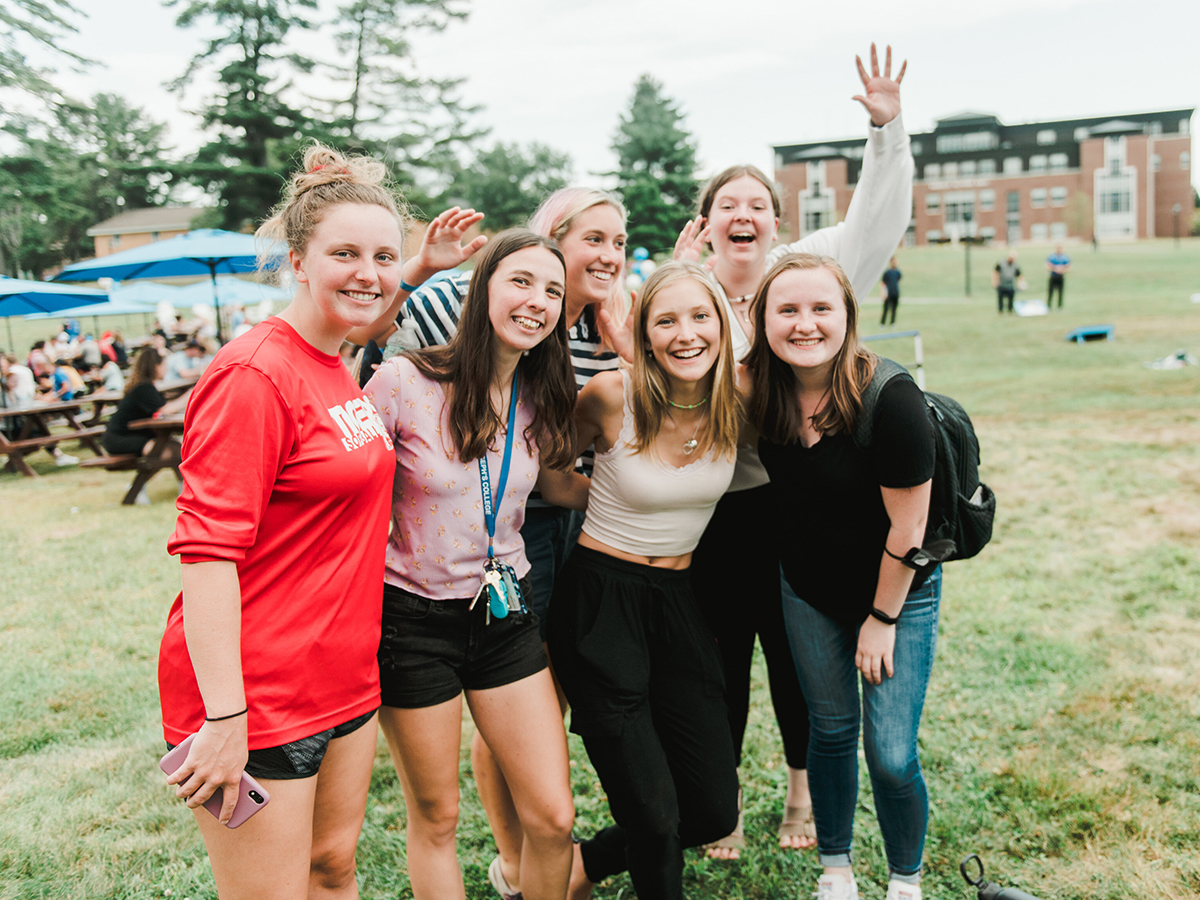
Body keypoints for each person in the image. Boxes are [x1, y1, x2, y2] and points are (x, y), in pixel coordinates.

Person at [347, 186, 629, 898]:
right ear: (483, 290)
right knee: (437, 816)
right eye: (521, 281)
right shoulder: (406, 381)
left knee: (554, 815)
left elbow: (563, 487)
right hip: (413, 621)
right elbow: (342, 431)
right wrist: (408, 271)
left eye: (551, 289)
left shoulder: (540, 396)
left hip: (505, 615)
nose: (537, 299)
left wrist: (662, 516)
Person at [671, 42, 913, 859]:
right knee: (718, 665)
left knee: (796, 661)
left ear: (777, 221)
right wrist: (672, 292)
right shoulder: (687, 298)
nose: (744, 213)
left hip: (793, 504)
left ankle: (803, 796)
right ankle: (722, 803)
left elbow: (878, 216)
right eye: (727, 203)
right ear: (707, 224)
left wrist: (886, 133)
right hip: (707, 516)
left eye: (758, 203)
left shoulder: (805, 276)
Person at [157, 145, 409, 900]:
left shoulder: (337, 362)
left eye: (385, 256)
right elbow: (205, 556)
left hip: (346, 677)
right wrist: (225, 717)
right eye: (345, 253)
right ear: (299, 260)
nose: (368, 272)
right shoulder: (253, 374)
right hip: (258, 697)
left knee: (334, 870)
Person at [547, 261, 742, 900]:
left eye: (699, 316)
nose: (686, 334)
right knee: (655, 821)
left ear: (722, 324)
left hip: (680, 605)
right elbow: (549, 474)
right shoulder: (611, 395)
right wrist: (610, 500)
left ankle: (586, 864)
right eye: (666, 320)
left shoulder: (740, 401)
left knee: (713, 812)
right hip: (601, 601)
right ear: (644, 333)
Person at [745, 253, 938, 900]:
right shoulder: (756, 390)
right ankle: (836, 871)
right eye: (788, 309)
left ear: (848, 316)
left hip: (898, 594)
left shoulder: (891, 398)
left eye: (821, 308)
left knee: (889, 752)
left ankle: (904, 881)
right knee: (829, 732)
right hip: (807, 589)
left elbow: (908, 533)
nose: (805, 324)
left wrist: (881, 621)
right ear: (762, 318)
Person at [102, 348, 191, 457]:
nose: (166, 369)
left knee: (177, 449)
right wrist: (191, 394)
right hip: (121, 439)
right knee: (172, 452)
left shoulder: (143, 386)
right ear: (155, 366)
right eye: (164, 365)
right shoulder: (143, 388)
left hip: (129, 436)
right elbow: (165, 410)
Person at [880, 256, 901, 325]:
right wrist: (883, 293)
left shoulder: (898, 272)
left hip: (895, 293)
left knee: (894, 309)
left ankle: (892, 322)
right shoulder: (887, 273)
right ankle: (882, 323)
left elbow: (898, 282)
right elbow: (883, 283)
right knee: (886, 309)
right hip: (888, 293)